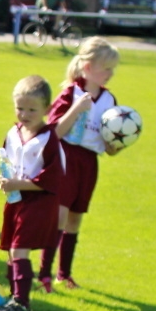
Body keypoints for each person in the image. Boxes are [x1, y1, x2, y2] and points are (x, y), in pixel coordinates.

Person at [38, 37, 122, 291]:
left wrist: (118, 142)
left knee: (75, 220)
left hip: (89, 163)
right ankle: (44, 275)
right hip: (65, 159)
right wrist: (76, 109)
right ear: (87, 67)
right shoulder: (70, 93)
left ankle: (64, 274)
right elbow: (54, 133)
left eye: (112, 69)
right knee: (59, 217)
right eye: (105, 68)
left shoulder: (109, 101)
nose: (110, 74)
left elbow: (109, 147)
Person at [0, 76, 65, 311]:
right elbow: (7, 161)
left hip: (38, 203)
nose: (25, 114)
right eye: (20, 108)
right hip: (16, 199)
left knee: (19, 248)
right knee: (11, 248)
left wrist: (17, 184)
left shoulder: (48, 139)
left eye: (32, 109)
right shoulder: (13, 132)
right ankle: (13, 297)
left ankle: (21, 305)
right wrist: (5, 179)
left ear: (47, 110)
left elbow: (51, 181)